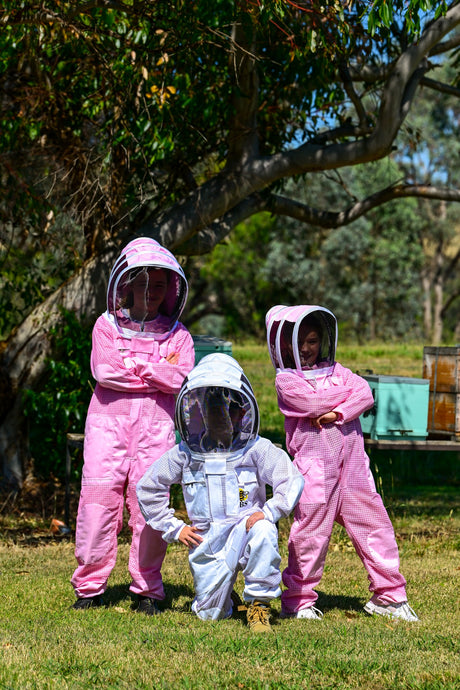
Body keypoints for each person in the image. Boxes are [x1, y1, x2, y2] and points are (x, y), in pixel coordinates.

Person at [265, 305, 419, 622]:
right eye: (301, 342)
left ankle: (389, 597)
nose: (307, 349)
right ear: (283, 344)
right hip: (315, 472)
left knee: (376, 527)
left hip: (354, 470)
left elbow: (364, 393)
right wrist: (343, 398)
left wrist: (336, 413)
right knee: (309, 536)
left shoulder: (337, 371)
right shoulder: (286, 381)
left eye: (312, 341)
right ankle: (297, 601)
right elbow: (310, 403)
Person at [136, 353, 304, 632]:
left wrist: (269, 512)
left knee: (264, 531)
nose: (219, 417)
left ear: (241, 413)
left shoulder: (256, 449)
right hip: (208, 540)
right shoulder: (185, 453)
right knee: (210, 615)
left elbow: (291, 479)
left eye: (226, 410)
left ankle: (259, 606)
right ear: (200, 412)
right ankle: (229, 600)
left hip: (246, 527)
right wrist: (175, 528)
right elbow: (148, 486)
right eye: (212, 410)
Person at [71, 237, 195, 614]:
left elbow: (183, 377)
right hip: (107, 428)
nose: (151, 292)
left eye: (159, 284)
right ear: (126, 286)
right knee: (98, 501)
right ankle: (89, 587)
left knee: (150, 504)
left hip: (156, 430)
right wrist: (158, 370)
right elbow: (106, 371)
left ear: (171, 288)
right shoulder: (106, 326)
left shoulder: (179, 334)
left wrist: (138, 367)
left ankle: (147, 589)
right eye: (143, 284)